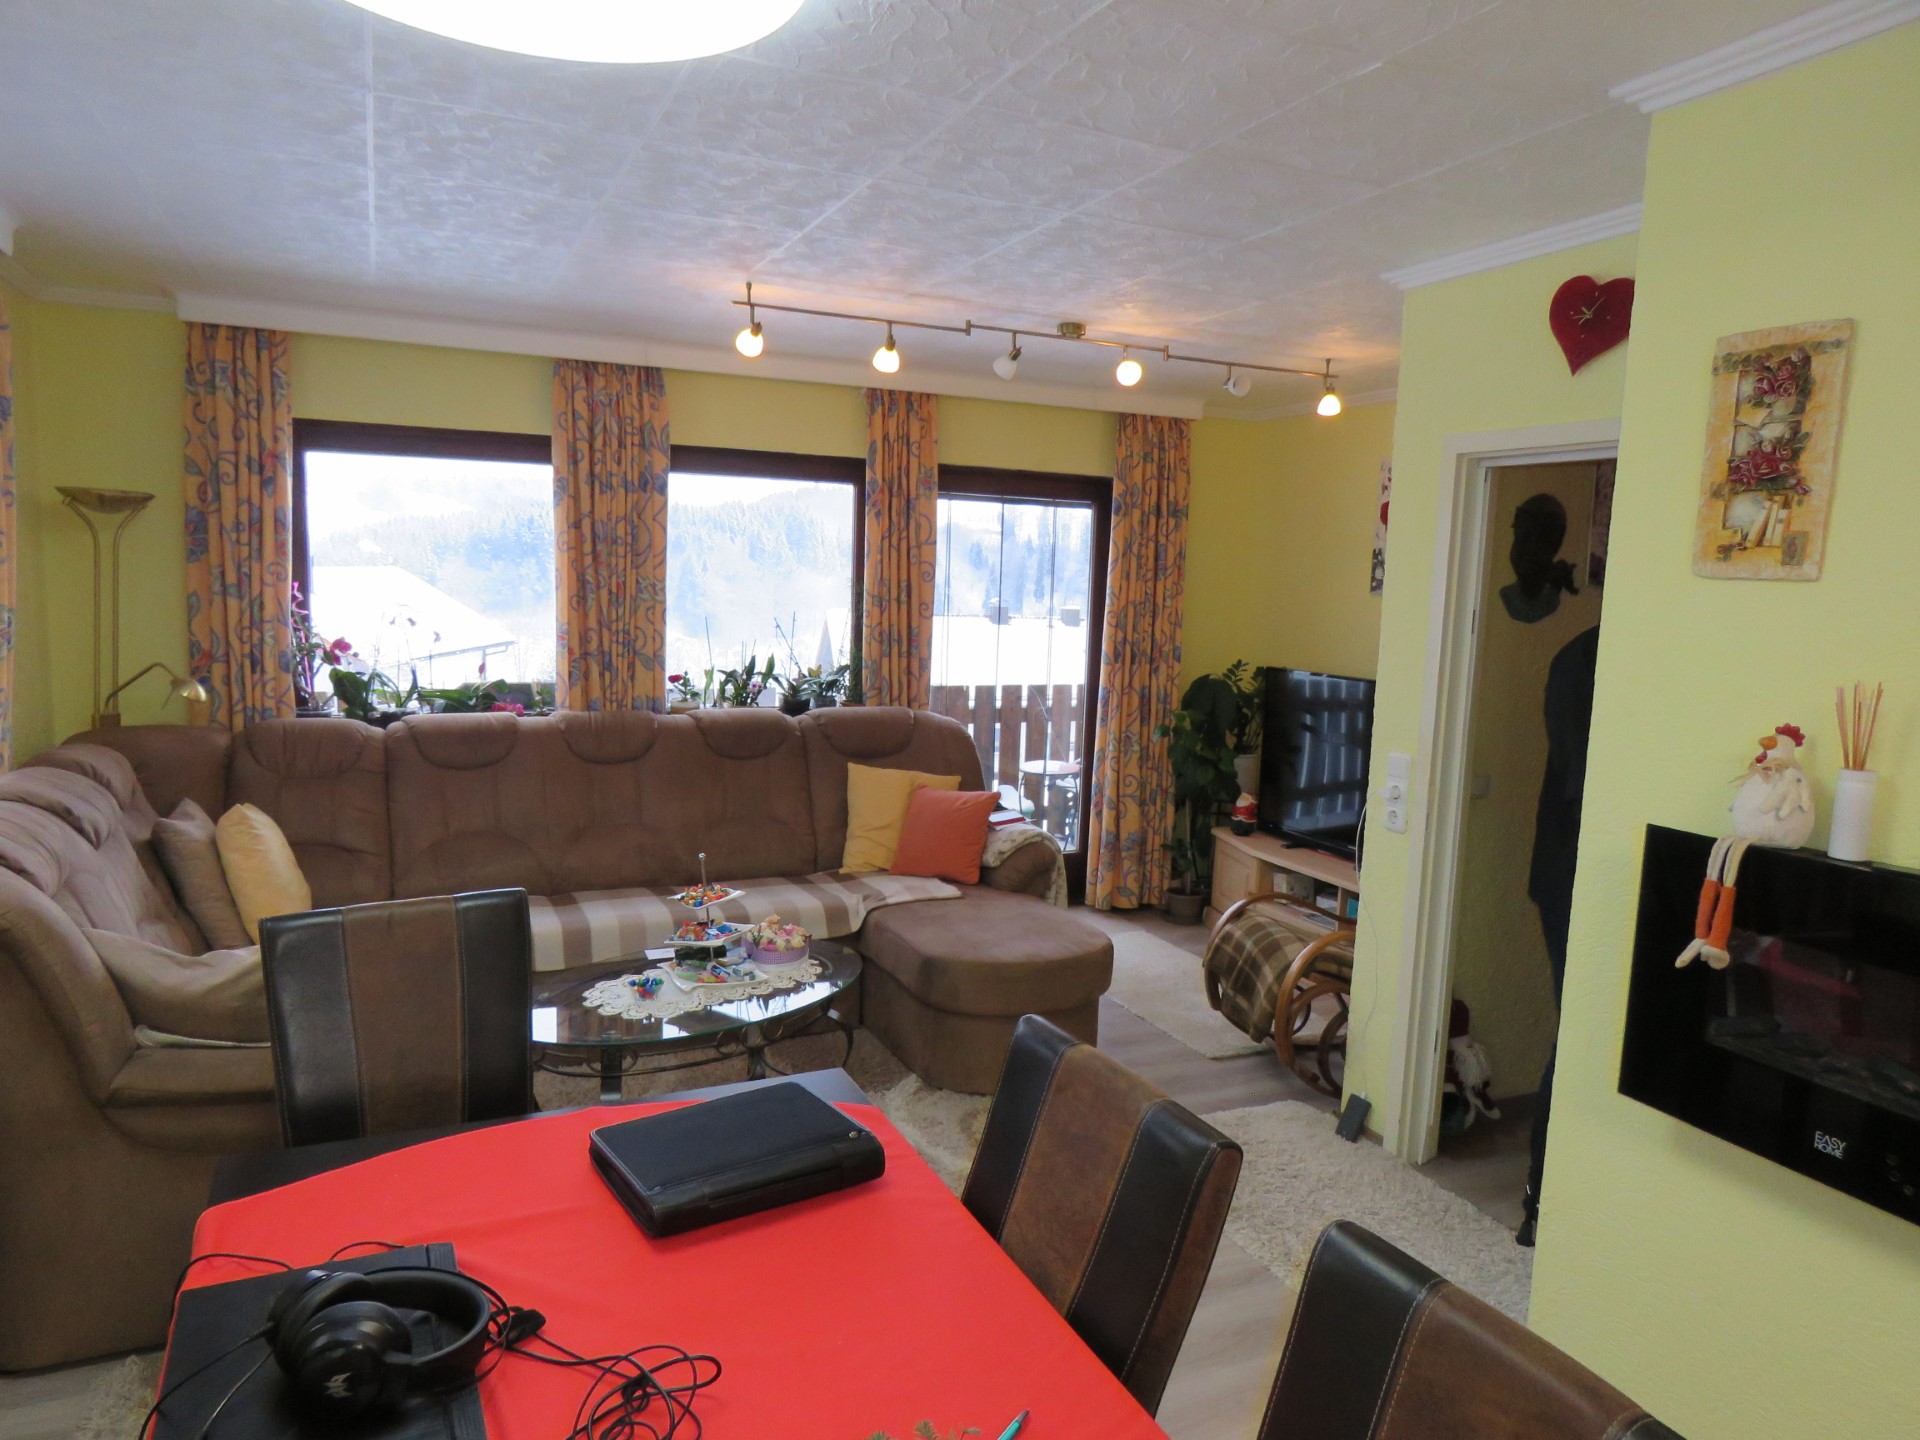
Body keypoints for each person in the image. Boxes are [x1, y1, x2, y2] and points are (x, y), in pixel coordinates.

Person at [1518, 623, 1600, 1247]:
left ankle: (1552, 1199)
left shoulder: (1580, 654)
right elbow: (1581, 777)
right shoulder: (1585, 658)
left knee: (1579, 1034)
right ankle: (1542, 1200)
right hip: (1573, 875)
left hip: (1571, 871)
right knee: (1577, 1036)